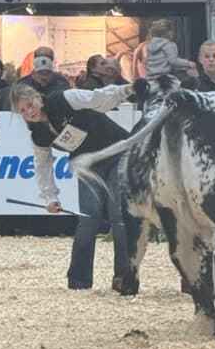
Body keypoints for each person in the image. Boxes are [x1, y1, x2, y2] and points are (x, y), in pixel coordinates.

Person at [11, 77, 142, 291]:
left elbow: (98, 98)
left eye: (30, 104)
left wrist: (127, 90)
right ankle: (79, 282)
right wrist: (50, 197)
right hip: (87, 165)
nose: (30, 112)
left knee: (119, 216)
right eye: (23, 111)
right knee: (87, 219)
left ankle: (124, 278)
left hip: (117, 153)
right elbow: (42, 166)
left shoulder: (64, 99)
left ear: (38, 97)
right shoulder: (39, 135)